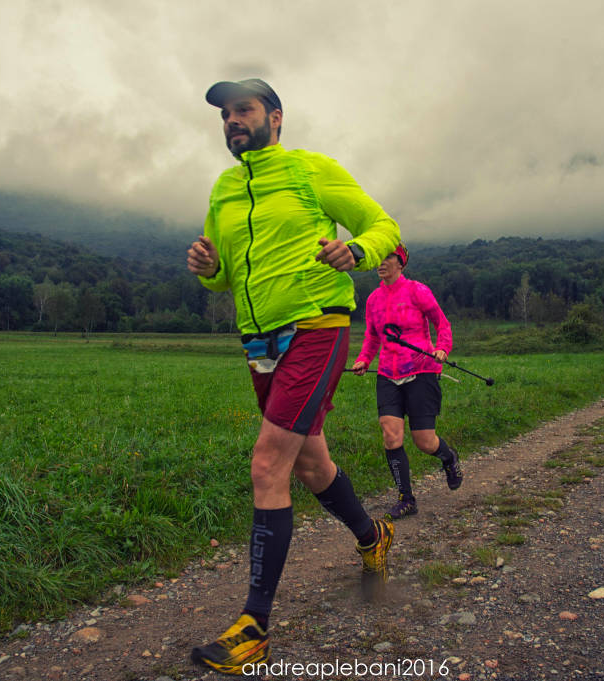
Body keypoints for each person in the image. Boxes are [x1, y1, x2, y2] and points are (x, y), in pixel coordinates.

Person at [185, 78, 401, 675]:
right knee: (310, 464)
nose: (232, 121)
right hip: (259, 341)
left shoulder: (311, 170)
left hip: (317, 327)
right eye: (225, 114)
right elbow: (222, 274)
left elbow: (383, 226)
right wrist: (207, 268)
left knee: (266, 464)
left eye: (243, 110)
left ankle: (255, 628)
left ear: (275, 118)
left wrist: (354, 252)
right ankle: (372, 534)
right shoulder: (225, 187)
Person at [350, 243, 463, 520]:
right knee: (391, 436)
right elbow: (373, 337)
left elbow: (442, 323)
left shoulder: (417, 290)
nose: (381, 262)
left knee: (424, 441)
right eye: (378, 258)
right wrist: (365, 358)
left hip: (422, 369)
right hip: (388, 373)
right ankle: (406, 498)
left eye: (387, 257)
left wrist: (442, 349)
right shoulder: (373, 299)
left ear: (400, 263)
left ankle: (449, 458)